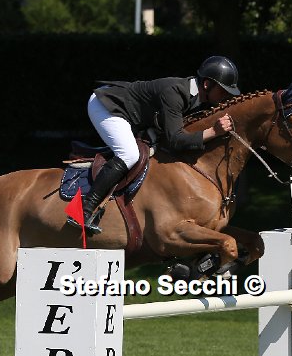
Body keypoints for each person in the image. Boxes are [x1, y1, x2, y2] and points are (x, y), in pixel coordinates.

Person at [68, 55, 241, 232]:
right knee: (129, 155)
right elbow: (175, 139)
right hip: (108, 105)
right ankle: (83, 210)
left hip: (133, 115)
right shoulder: (175, 93)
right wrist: (213, 132)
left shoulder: (196, 98)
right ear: (206, 84)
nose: (225, 96)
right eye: (223, 90)